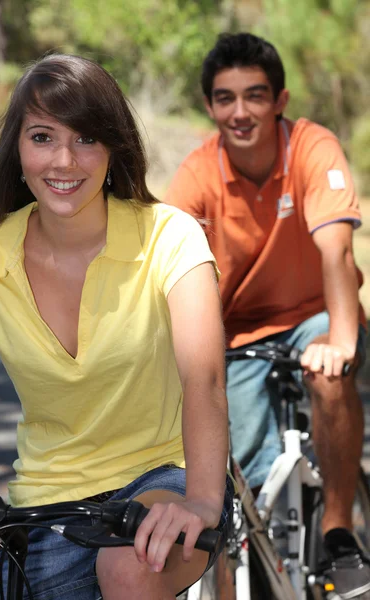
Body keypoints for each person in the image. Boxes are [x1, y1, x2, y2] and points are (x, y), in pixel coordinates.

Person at [0, 54, 233, 600]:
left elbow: (203, 378)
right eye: (42, 137)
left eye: (87, 138)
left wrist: (205, 499)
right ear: (16, 149)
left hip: (165, 475)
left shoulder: (170, 237)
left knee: (129, 566)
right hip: (45, 505)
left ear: (114, 149)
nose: (64, 160)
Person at [164, 32, 369, 599]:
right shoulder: (199, 173)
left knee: (329, 377)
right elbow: (168, 269)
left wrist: (343, 341)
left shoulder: (311, 146)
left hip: (315, 315)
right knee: (240, 486)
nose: (240, 111)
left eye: (255, 96)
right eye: (225, 99)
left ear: (279, 100)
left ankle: (337, 529)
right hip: (238, 330)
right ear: (210, 107)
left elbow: (338, 251)